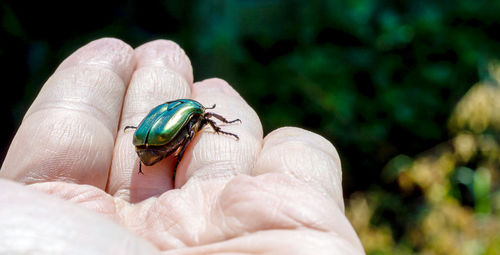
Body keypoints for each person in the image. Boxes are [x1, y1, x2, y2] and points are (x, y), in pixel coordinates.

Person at [0, 38, 365, 254]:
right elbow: (193, 125)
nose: (207, 121)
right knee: (205, 126)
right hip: (153, 142)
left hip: (149, 140)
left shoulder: (185, 112)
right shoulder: (197, 114)